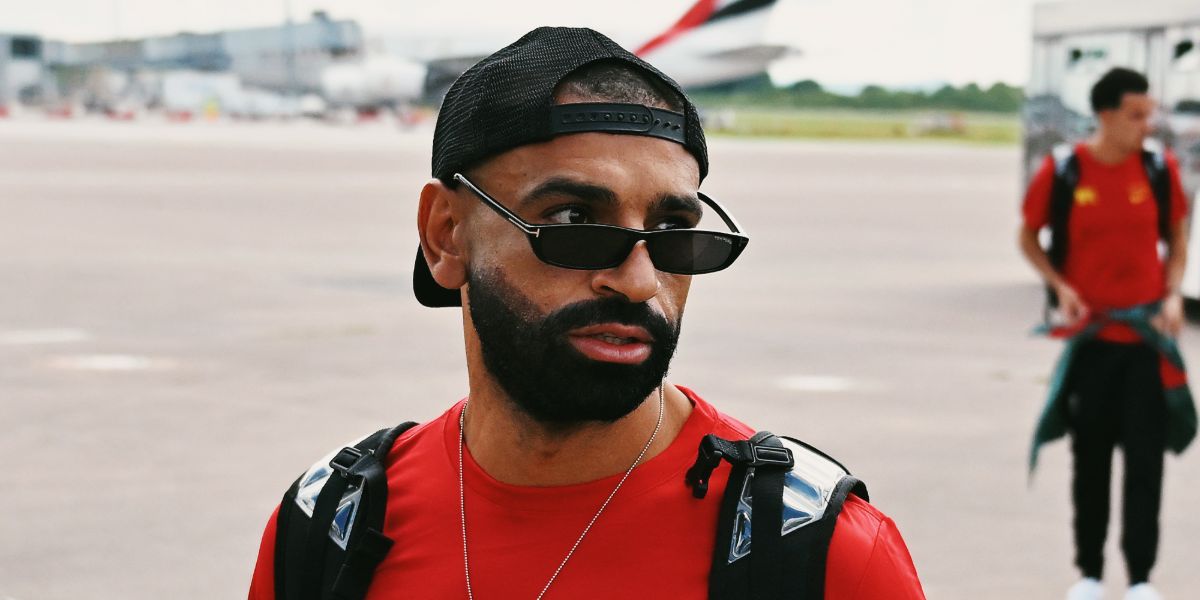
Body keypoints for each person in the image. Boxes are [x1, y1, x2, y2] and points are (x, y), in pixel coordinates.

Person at [248, 27, 925, 599]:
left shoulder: (817, 553)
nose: (639, 281)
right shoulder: (331, 528)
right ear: (446, 235)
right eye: (574, 221)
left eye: (673, 231)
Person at [1019, 67, 1195, 600]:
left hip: (1146, 345)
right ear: (1105, 115)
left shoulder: (1159, 169)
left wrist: (1173, 293)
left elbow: (1178, 238)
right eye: (1136, 115)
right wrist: (1059, 286)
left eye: (1150, 114)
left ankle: (1140, 580)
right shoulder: (1065, 170)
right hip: (1091, 344)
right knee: (1090, 461)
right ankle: (1090, 574)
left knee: (1146, 463)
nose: (1148, 125)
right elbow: (1028, 236)